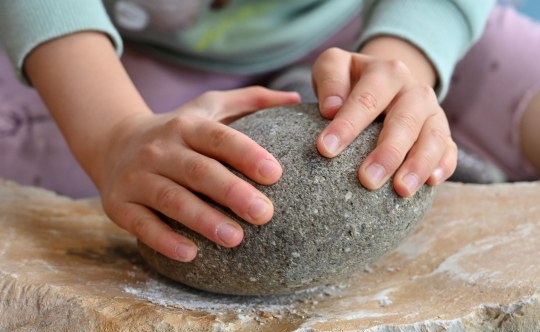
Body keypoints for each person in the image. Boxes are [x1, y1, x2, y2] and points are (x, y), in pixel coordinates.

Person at [0, 1, 538, 263]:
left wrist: (401, 66)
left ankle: (319, 92)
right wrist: (113, 133)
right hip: (121, 51)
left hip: (377, 24)